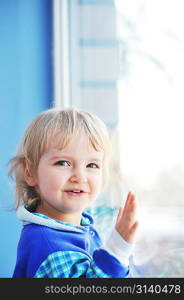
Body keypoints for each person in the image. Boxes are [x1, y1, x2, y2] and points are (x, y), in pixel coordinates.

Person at [9, 107, 138, 278]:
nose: (80, 177)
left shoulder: (80, 225)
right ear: (29, 172)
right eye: (63, 163)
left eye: (92, 165)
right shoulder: (47, 246)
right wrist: (116, 251)